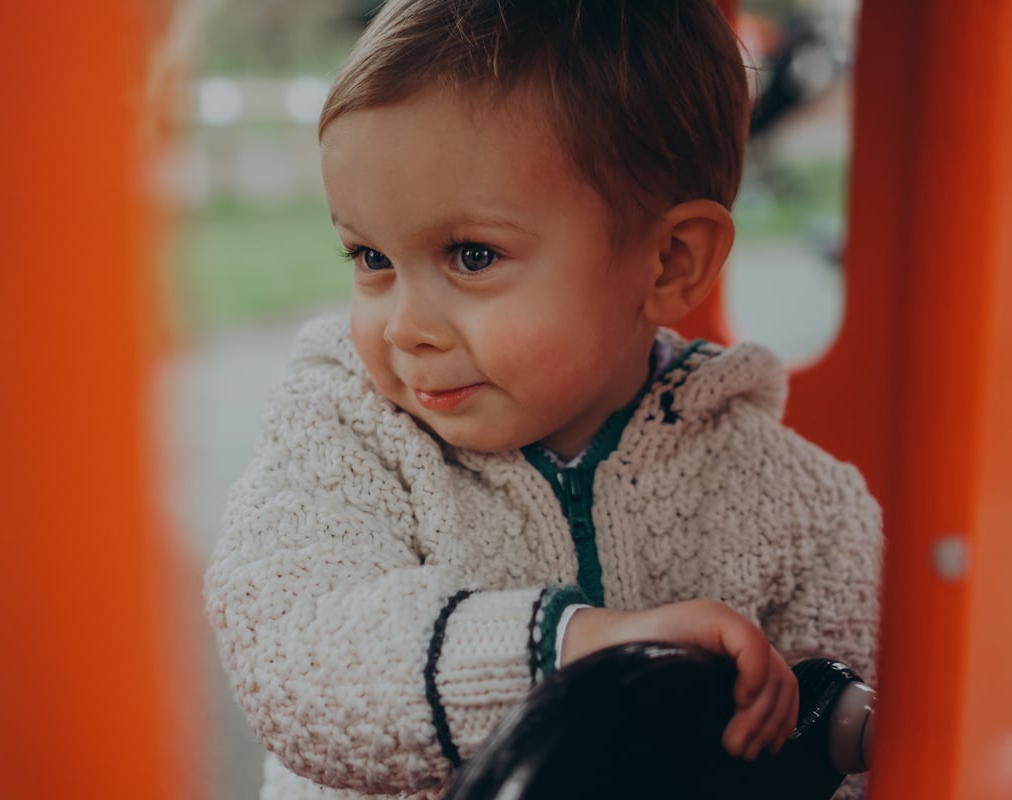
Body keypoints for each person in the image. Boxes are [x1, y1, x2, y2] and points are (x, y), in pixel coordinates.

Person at [205, 1, 882, 798]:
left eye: (471, 255)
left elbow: (861, 736)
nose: (407, 327)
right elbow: (298, 656)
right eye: (371, 256)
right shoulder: (347, 434)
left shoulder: (793, 506)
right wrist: (565, 646)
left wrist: (824, 730)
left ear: (668, 263)